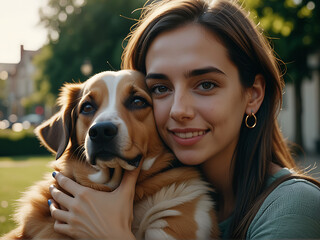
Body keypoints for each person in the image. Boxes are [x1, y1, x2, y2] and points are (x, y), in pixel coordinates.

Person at [48, 0, 320, 238]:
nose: (179, 110)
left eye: (206, 84)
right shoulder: (144, 205)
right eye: (160, 88)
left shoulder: (293, 208)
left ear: (253, 95)